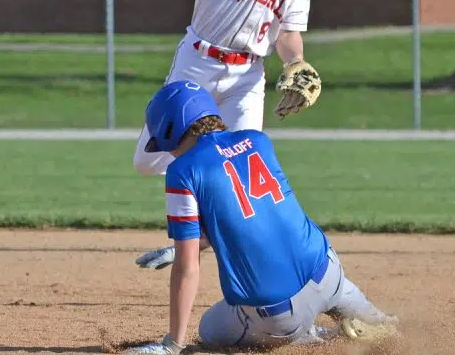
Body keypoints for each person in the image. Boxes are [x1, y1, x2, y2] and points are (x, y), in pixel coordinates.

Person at [133, 0, 386, 269]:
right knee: (147, 162)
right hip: (198, 65)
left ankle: (197, 242)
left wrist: (295, 62)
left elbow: (287, 33)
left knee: (246, 165)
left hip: (248, 76)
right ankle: (203, 202)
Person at [124, 80, 398, 355]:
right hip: (329, 274)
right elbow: (251, 216)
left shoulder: (182, 171)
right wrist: (192, 245)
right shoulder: (257, 141)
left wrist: (173, 344)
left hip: (279, 317)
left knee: (209, 329)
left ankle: (322, 336)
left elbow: (188, 268)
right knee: (385, 327)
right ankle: (376, 325)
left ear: (172, 130)